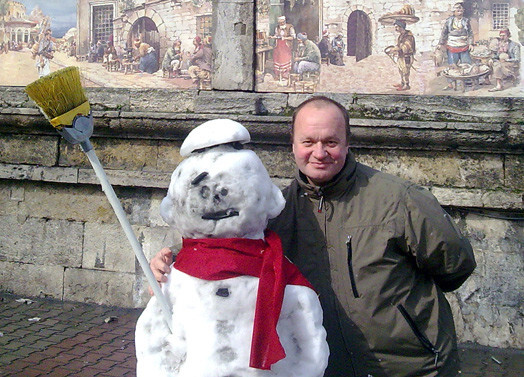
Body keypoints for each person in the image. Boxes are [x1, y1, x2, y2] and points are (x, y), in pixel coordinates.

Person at [150, 96, 476, 377]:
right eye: (308, 142)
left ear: (347, 143)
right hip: (328, 366)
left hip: (407, 367)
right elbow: (230, 247)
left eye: (330, 142)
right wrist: (174, 258)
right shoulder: (276, 211)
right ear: (293, 145)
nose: (319, 152)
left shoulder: (399, 200)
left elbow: (455, 265)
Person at [439, 2, 474, 90]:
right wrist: (440, 43)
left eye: (461, 10)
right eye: (457, 10)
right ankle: (451, 84)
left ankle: (467, 82)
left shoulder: (466, 21)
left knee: (466, 64)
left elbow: (470, 33)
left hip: (464, 45)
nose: (459, 12)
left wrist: (470, 43)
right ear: (454, 12)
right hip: (452, 45)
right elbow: (444, 33)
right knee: (452, 65)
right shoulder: (449, 21)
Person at [391, 19, 416, 91]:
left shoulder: (409, 36)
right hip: (401, 56)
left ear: (401, 27)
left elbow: (407, 46)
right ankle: (402, 83)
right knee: (401, 70)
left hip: (407, 56)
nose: (395, 28)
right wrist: (395, 49)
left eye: (397, 27)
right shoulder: (401, 36)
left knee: (406, 71)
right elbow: (399, 45)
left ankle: (407, 85)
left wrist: (397, 48)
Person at [270, 16, 296, 81]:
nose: (281, 24)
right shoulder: (277, 28)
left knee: (285, 59)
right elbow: (277, 35)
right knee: (277, 58)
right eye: (280, 23)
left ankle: (285, 75)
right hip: (278, 46)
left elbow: (293, 37)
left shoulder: (290, 27)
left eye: (282, 22)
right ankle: (278, 75)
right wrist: (273, 37)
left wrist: (285, 38)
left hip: (286, 46)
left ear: (284, 21)